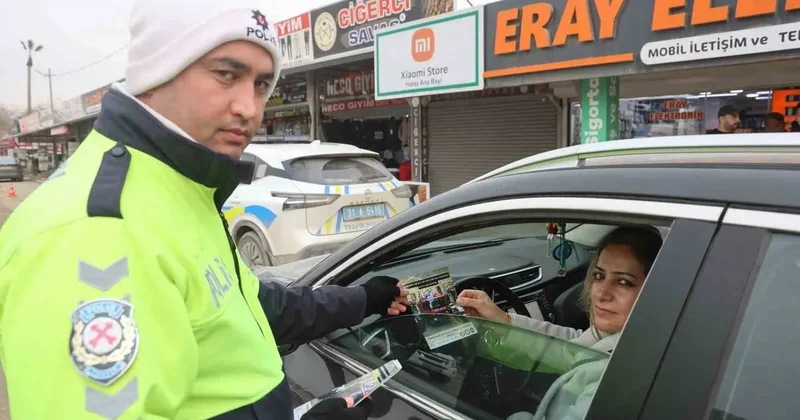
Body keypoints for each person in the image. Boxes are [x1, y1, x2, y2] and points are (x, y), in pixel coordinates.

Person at [0, 0, 409, 419]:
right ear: (158, 70)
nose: (249, 109)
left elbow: (249, 309)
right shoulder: (92, 228)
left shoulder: (180, 187)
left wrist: (361, 299)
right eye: (226, 75)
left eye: (261, 85)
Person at [457, 226, 663, 419]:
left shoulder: (619, 377)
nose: (601, 293)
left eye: (624, 282)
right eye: (599, 276)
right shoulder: (628, 340)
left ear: (656, 291)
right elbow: (573, 348)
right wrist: (504, 320)